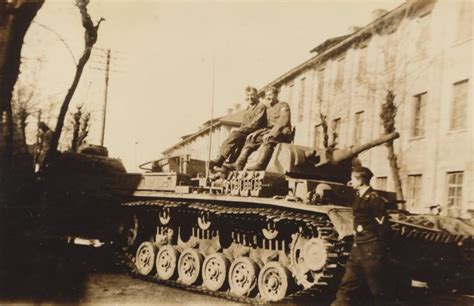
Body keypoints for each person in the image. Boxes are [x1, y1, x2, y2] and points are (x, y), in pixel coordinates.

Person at [332, 167, 394, 306]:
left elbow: (383, 227)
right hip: (358, 247)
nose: (350, 181)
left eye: (353, 179)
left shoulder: (374, 199)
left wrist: (380, 249)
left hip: (371, 249)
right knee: (347, 285)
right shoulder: (359, 195)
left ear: (360, 181)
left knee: (377, 290)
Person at [232, 86, 292, 171]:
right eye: (267, 95)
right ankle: (239, 164)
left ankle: (260, 164)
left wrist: (271, 134)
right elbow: (265, 126)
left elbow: (282, 122)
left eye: (270, 95)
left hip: (283, 133)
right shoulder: (268, 109)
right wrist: (255, 133)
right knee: (251, 139)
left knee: (268, 139)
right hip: (269, 131)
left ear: (276, 95)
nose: (268, 97)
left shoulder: (283, 106)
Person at [209, 86, 266, 170]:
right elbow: (243, 123)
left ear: (257, 95)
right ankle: (227, 162)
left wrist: (240, 130)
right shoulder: (248, 108)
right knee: (236, 142)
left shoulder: (260, 106)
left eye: (252, 95)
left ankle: (220, 159)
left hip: (255, 132)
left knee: (234, 134)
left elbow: (256, 123)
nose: (250, 97)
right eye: (248, 95)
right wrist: (241, 129)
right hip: (246, 131)